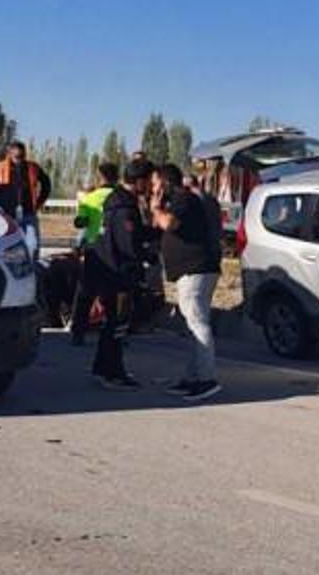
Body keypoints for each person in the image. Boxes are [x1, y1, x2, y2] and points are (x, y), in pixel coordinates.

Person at [151, 164, 223, 400]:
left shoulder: (183, 199)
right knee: (191, 326)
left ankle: (207, 378)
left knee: (197, 324)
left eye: (155, 183)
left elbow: (169, 224)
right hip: (190, 272)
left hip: (196, 270)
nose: (153, 188)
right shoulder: (180, 201)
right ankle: (192, 377)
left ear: (165, 182)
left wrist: (155, 207)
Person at [85, 158, 154, 388]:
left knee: (111, 323)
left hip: (106, 270)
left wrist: (153, 234)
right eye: (149, 182)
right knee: (118, 325)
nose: (151, 187)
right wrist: (146, 258)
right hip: (119, 274)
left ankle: (102, 367)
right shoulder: (125, 207)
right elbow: (128, 243)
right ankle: (114, 372)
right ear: (140, 181)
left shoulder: (112, 200)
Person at [69, 162, 119, 346]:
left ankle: (78, 332)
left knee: (86, 293)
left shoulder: (90, 199)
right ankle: (113, 331)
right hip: (115, 250)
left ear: (100, 177)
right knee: (113, 293)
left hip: (94, 249)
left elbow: (80, 222)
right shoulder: (120, 197)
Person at [0, 141, 52, 249]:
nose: (20, 159)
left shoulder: (33, 167)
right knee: (9, 248)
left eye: (22, 156)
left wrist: (39, 202)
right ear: (10, 154)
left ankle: (31, 265)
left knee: (33, 245)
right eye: (17, 156)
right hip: (8, 215)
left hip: (29, 213)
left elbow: (46, 184)